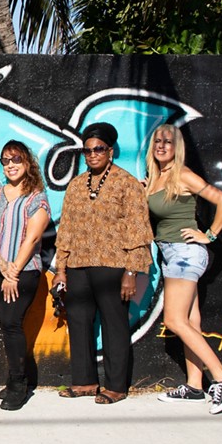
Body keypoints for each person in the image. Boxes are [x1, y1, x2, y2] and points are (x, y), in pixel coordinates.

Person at [54, 122, 152, 405]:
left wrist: (131, 271)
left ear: (110, 151)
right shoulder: (75, 186)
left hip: (113, 266)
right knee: (79, 321)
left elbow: (138, 229)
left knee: (114, 324)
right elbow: (67, 229)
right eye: (87, 150)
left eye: (98, 149)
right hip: (78, 265)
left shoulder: (127, 184)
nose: (92, 154)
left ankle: (116, 386)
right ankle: (84, 381)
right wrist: (61, 269)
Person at [145, 124, 222, 414]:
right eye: (158, 140)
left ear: (177, 147)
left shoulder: (182, 175)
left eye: (168, 142)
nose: (162, 145)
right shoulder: (155, 178)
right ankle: (195, 386)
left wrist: (208, 235)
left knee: (174, 321)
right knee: (191, 324)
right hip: (171, 253)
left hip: (185, 253)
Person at [0, 140, 52, 411]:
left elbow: (33, 236)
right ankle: (13, 377)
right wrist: (1, 265)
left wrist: (12, 273)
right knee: (5, 323)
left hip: (24, 272)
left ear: (27, 162)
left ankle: (19, 385)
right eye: (5, 161)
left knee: (12, 323)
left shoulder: (37, 197)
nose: (11, 165)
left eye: (16, 160)